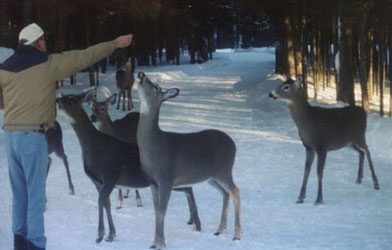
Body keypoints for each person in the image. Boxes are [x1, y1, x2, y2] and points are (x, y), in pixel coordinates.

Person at [0, 22, 133, 250]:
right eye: (44, 40)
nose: (46, 44)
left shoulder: (5, 68)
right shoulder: (46, 63)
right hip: (33, 136)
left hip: (11, 137)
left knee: (20, 196)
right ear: (37, 43)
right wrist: (113, 44)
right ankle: (35, 246)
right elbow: (82, 57)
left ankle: (19, 245)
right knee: (35, 198)